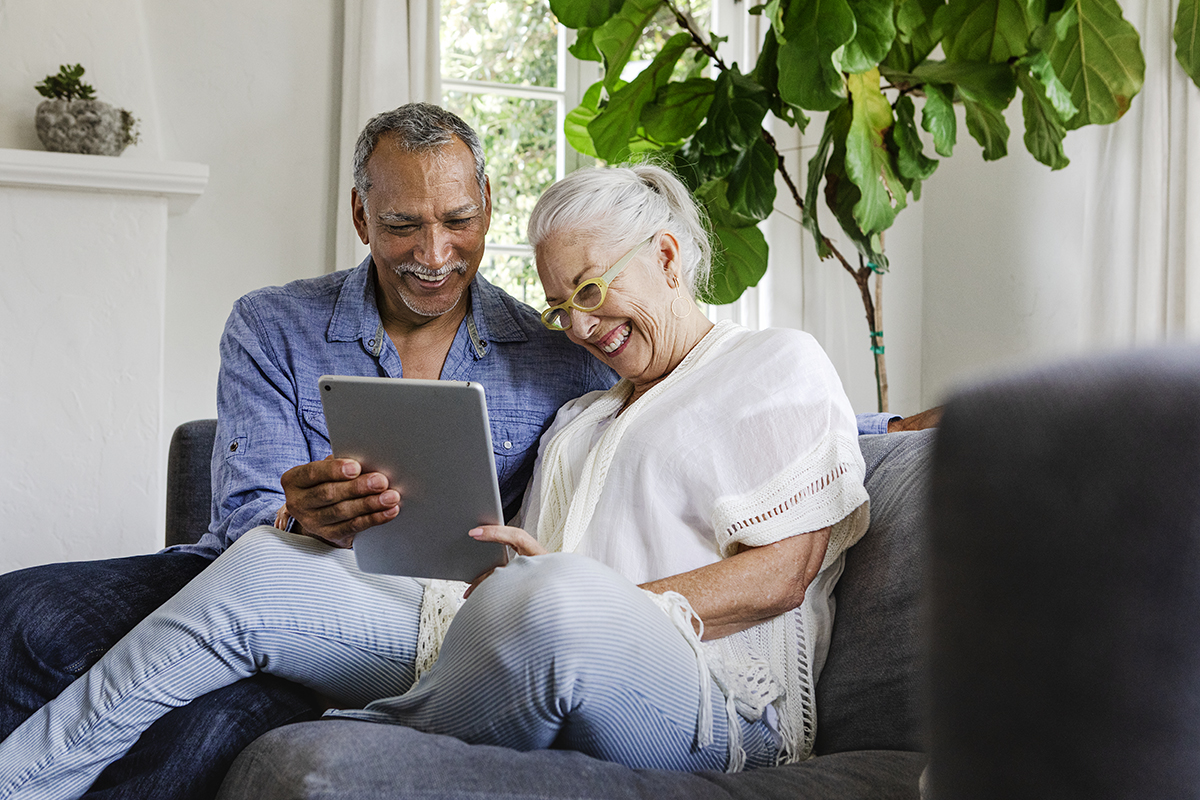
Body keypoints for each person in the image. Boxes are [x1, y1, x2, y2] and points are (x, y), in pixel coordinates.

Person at [0, 161, 871, 798]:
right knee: (264, 564)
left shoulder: (773, 363)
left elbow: (781, 575)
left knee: (554, 600)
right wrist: (505, 579)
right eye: (560, 307)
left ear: (669, 257)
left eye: (592, 291)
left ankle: (360, 731)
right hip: (509, 634)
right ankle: (22, 781)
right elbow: (525, 576)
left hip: (707, 697)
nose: (580, 328)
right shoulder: (586, 411)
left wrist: (577, 598)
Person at [0, 104, 615, 799]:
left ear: (488, 206)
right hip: (250, 571)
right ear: (360, 216)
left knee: (203, 729)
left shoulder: (562, 360)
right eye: (402, 225)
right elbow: (243, 521)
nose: (434, 253)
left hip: (400, 618)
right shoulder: (273, 323)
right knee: (21, 611)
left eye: (458, 221)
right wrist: (300, 519)